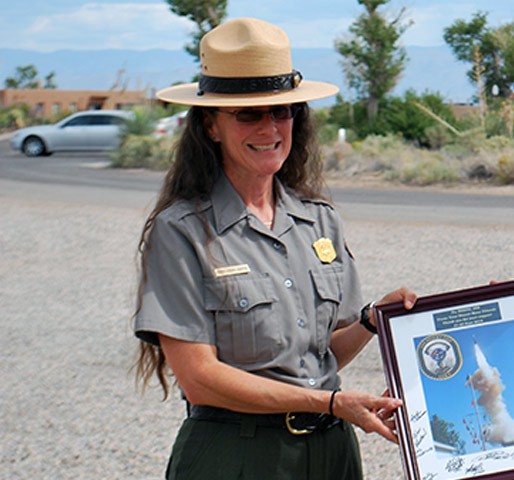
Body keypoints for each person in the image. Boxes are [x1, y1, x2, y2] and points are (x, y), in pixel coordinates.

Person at [132, 18, 416, 479]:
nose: (270, 127)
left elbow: (316, 357)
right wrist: (329, 401)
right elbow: (200, 379)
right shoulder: (181, 231)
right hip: (238, 457)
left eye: (282, 110)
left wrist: (370, 320)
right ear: (211, 126)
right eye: (249, 113)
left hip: (331, 454)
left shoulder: (320, 220)